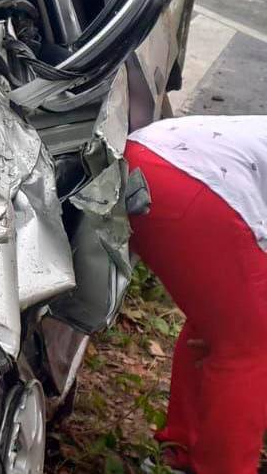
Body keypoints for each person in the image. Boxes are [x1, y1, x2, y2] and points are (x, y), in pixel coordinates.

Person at [125, 115, 267, 474]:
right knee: (250, 347)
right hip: (196, 181)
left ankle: (181, 449)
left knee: (223, 325)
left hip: (146, 158)